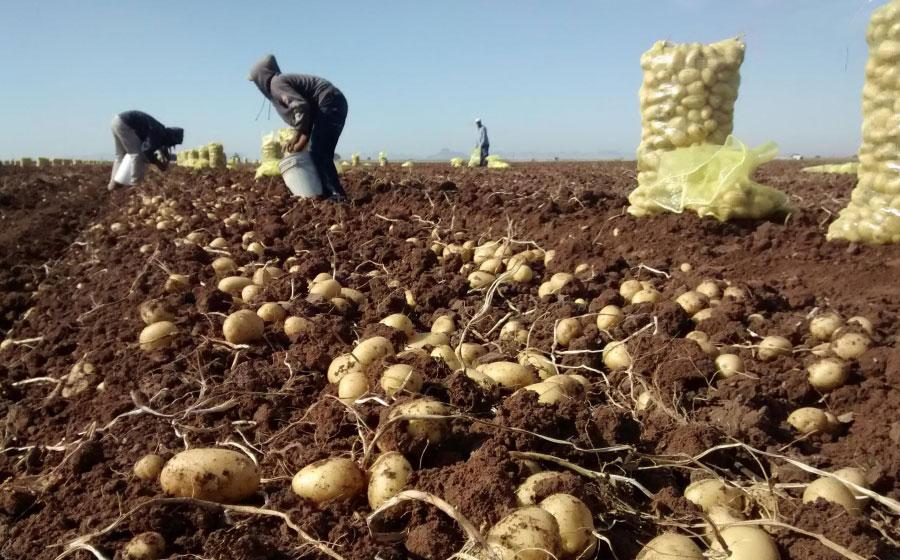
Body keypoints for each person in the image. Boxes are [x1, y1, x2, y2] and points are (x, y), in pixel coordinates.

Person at [248, 54, 349, 201]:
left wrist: (296, 135)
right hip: (332, 102)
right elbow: (307, 116)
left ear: (261, 78)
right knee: (318, 151)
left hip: (329, 101)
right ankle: (328, 192)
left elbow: (301, 107)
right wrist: (300, 142)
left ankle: (337, 195)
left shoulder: (276, 84)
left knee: (320, 151)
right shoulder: (281, 83)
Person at [108, 111, 183, 190]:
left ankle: (112, 186)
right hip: (125, 124)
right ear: (170, 138)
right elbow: (146, 150)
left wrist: (161, 158)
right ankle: (136, 184)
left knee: (120, 156)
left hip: (116, 121)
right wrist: (158, 164)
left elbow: (156, 147)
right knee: (136, 154)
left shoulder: (161, 130)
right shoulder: (158, 133)